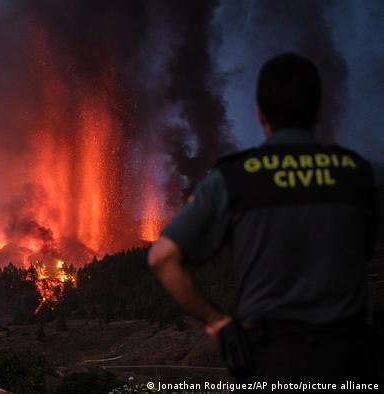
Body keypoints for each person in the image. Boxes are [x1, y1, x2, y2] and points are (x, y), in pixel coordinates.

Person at [148, 53, 379, 388]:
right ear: (319, 110)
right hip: (351, 361)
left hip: (274, 362)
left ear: (259, 113)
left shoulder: (237, 177)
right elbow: (365, 250)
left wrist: (217, 322)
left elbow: (161, 257)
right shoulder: (357, 174)